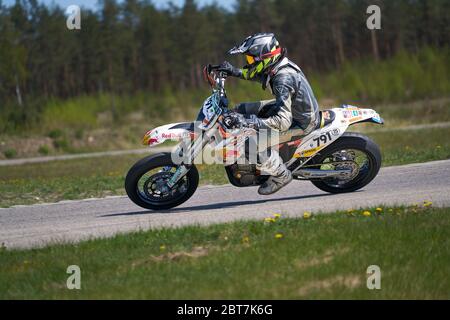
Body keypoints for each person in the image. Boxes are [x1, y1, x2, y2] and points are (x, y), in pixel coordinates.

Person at [218, 32, 320, 195]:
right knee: (239, 109)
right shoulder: (276, 66)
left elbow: (282, 122)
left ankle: (281, 175)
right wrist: (234, 71)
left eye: (251, 59)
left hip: (300, 121)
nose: (248, 62)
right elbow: (258, 75)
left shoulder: (283, 79)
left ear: (263, 57)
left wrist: (249, 122)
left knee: (250, 143)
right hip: (293, 109)